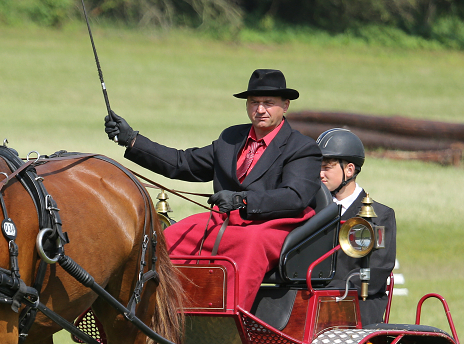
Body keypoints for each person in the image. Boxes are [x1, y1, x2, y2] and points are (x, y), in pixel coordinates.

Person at [104, 69, 325, 310]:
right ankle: (155, 313)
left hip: (274, 226)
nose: (260, 110)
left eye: (268, 103)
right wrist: (133, 140)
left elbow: (294, 197)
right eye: (254, 103)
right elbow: (183, 163)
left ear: (285, 106)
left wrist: (243, 200)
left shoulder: (302, 147)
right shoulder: (231, 137)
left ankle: (226, 325)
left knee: (249, 243)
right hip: (225, 221)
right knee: (169, 240)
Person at [318, 128, 396, 326]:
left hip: (357, 307)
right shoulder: (311, 212)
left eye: (327, 167)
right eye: (318, 167)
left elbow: (377, 271)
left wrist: (330, 292)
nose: (320, 174)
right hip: (314, 303)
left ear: (349, 170)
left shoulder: (380, 216)